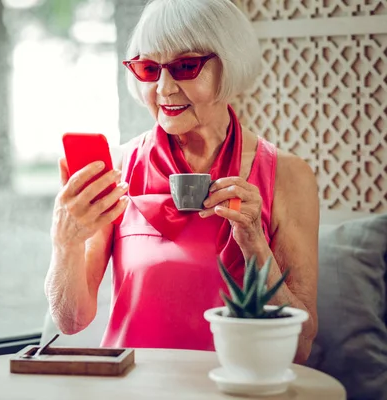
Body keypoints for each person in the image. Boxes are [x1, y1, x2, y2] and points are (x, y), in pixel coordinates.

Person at [44, 0, 318, 363]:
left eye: (186, 66)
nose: (164, 88)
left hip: (235, 387)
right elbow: (71, 320)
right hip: (133, 387)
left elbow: (299, 346)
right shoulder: (119, 167)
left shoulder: (287, 175)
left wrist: (254, 243)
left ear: (230, 64)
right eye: (148, 68)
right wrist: (65, 242)